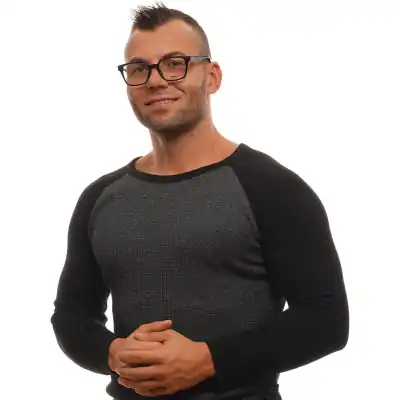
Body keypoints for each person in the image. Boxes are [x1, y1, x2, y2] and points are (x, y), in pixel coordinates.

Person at [50, 3, 350, 400]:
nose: (156, 81)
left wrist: (209, 361)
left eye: (174, 64)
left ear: (212, 76)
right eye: (139, 69)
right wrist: (113, 353)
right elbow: (71, 316)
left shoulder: (272, 188)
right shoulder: (99, 198)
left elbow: (326, 320)